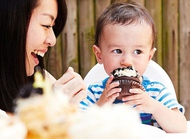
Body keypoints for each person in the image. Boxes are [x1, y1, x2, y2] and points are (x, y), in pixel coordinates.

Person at [80, 1, 187, 133]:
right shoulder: (93, 93)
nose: (127, 61)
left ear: (149, 57)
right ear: (99, 55)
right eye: (117, 51)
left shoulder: (156, 92)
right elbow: (78, 128)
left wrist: (152, 106)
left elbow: (181, 127)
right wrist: (101, 104)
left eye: (137, 52)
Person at [0, 0, 86, 113]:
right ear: (10, 19)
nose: (53, 40)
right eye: (46, 25)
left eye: (52, 27)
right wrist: (50, 109)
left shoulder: (42, 78)